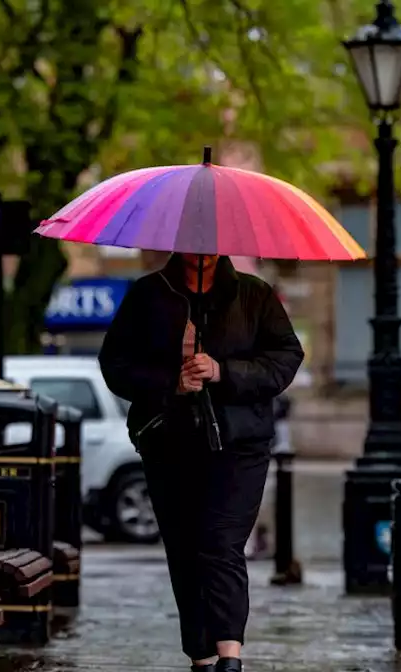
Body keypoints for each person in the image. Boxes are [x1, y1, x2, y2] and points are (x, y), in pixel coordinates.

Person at [98, 253, 303, 672]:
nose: (201, 245)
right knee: (184, 547)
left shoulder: (254, 294)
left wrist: (223, 371)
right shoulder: (148, 294)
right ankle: (201, 655)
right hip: (169, 441)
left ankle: (231, 657)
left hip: (240, 443)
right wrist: (172, 380)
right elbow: (116, 365)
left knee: (221, 542)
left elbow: (284, 357)